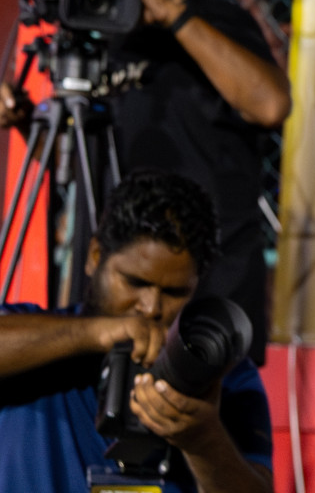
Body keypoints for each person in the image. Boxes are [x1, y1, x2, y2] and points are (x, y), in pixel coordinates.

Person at [2, 0, 292, 364]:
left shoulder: (217, 21)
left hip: (208, 294)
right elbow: (71, 162)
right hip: (113, 287)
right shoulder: (91, 29)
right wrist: (25, 117)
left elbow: (270, 104)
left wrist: (165, 10)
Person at [0, 168, 274, 493]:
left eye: (174, 293)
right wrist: (94, 334)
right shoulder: (32, 338)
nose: (151, 307)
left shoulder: (225, 376)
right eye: (135, 282)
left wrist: (204, 442)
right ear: (94, 256)